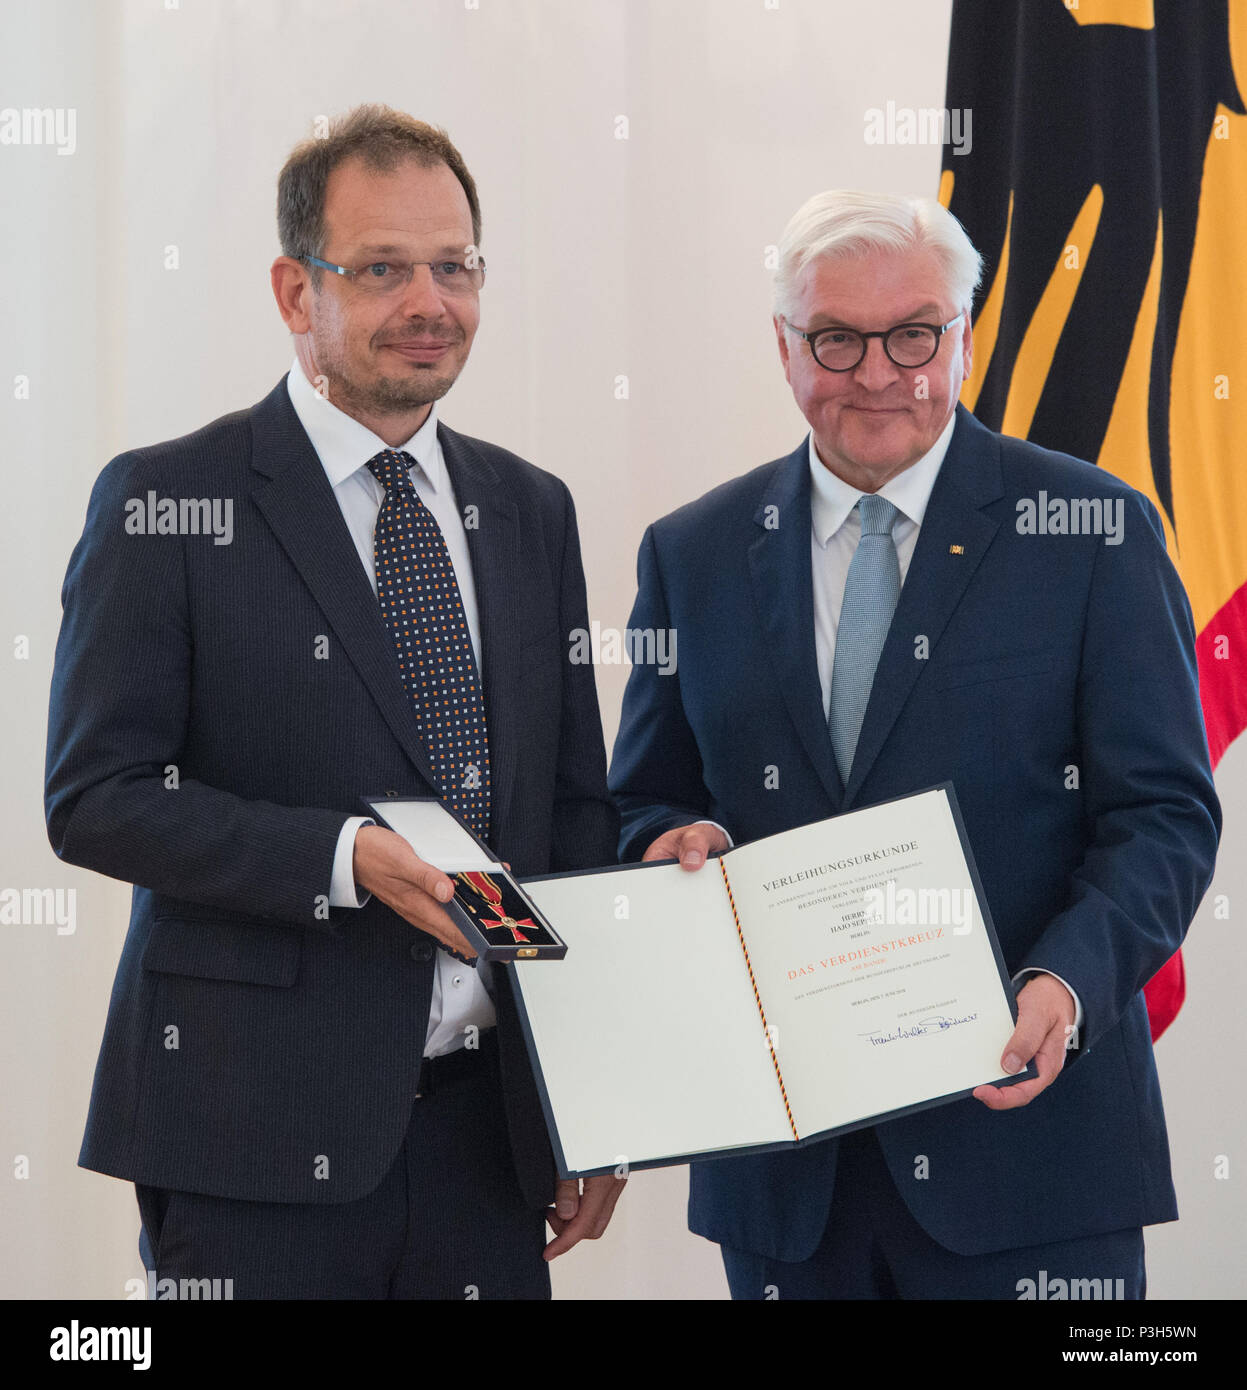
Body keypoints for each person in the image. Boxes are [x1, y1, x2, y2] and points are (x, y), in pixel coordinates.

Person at [45, 105, 624, 1300]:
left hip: (487, 1146)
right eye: (381, 269)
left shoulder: (531, 509)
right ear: (293, 290)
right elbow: (97, 798)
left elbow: (570, 812)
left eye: (453, 265)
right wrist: (345, 858)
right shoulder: (170, 501)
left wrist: (595, 1105)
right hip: (252, 1143)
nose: (430, 300)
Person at [608, 189, 1219, 1299]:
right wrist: (664, 845)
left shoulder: (1092, 530)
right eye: (835, 338)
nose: (878, 372)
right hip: (786, 1187)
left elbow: (1163, 816)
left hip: (1033, 1163)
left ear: (965, 339)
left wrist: (1065, 986)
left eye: (914, 334)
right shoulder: (689, 553)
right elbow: (639, 800)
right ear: (785, 348)